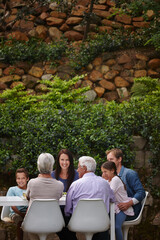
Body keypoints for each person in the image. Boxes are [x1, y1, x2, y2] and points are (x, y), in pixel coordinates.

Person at [65, 156, 115, 240]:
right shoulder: (105, 183)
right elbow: (113, 199)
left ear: (84, 168)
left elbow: (67, 210)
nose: (77, 170)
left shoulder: (75, 185)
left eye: (78, 167)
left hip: (79, 223)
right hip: (101, 223)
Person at [106, 148, 145, 220]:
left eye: (111, 159)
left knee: (103, 218)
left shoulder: (130, 174)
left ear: (119, 159)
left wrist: (128, 204)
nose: (109, 163)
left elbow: (141, 192)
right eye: (108, 160)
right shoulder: (109, 175)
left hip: (130, 210)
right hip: (115, 210)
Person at [101, 161, 134, 240]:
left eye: (105, 171)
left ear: (112, 170)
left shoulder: (115, 179)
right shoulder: (108, 180)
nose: (103, 174)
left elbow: (109, 193)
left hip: (122, 208)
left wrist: (103, 181)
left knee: (116, 227)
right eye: (102, 172)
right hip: (115, 208)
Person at [6, 168, 29, 240]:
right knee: (20, 221)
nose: (20, 181)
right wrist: (22, 214)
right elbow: (12, 206)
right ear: (16, 179)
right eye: (18, 178)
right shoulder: (12, 189)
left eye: (23, 178)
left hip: (28, 212)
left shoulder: (30, 189)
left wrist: (27, 214)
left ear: (27, 179)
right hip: (15, 213)